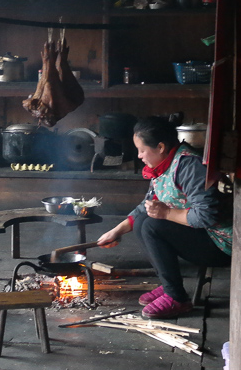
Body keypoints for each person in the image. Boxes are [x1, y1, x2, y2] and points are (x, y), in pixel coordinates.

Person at [96, 116, 232, 319]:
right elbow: (146, 206)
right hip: (201, 235)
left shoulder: (188, 166)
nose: (140, 156)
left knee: (152, 225)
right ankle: (168, 285)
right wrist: (116, 231)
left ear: (160, 147)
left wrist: (167, 213)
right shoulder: (163, 166)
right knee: (143, 221)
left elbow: (206, 215)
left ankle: (177, 297)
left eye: (142, 150)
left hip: (221, 243)